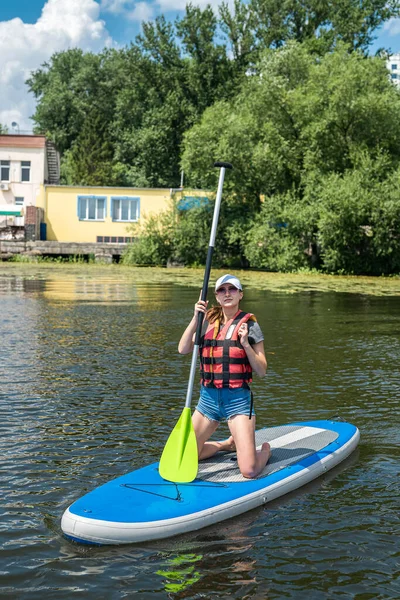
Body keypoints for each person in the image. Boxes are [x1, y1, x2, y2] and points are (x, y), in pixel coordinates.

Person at [178, 274, 271, 479]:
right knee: (184, 456)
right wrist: (196, 317)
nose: (227, 293)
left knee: (249, 470)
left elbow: (262, 370)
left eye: (232, 289)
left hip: (237, 402)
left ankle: (264, 452)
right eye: (222, 290)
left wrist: (246, 343)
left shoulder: (250, 324)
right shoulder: (206, 321)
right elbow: (183, 348)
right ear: (217, 297)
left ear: (240, 294)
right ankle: (226, 444)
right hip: (207, 402)